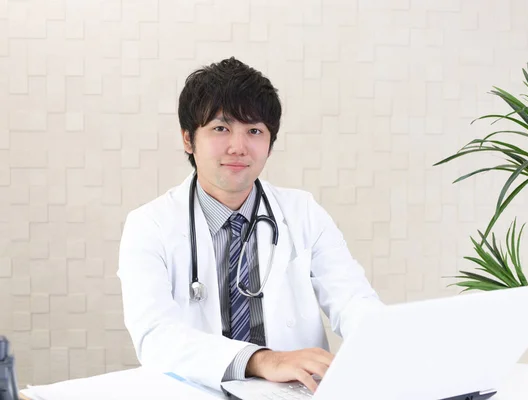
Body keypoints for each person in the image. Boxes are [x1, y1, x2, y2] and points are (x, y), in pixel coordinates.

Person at [117, 57, 383, 393]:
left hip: (296, 393)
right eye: (220, 128)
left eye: (254, 131)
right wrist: (262, 359)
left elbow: (354, 301)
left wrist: (380, 347)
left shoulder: (303, 213)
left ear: (270, 144)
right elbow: (155, 336)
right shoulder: (149, 225)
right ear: (188, 139)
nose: (238, 147)